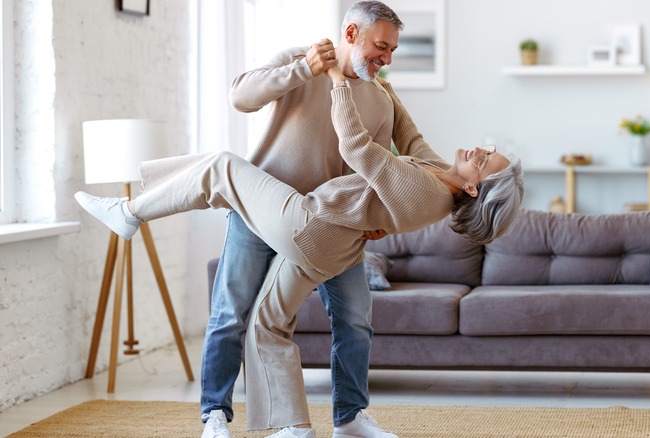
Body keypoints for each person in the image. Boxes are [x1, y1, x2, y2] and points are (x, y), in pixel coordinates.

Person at [75, 63, 525, 437]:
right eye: (487, 150)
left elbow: (357, 147)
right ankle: (295, 425)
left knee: (222, 168)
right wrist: (386, 89)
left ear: (472, 187)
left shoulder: (424, 191)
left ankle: (130, 211)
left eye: (484, 161)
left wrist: (338, 82)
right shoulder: (436, 174)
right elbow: (409, 136)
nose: (479, 150)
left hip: (308, 225)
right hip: (334, 242)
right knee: (268, 322)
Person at [201, 2, 404, 438]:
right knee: (231, 313)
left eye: (391, 51)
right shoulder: (301, 58)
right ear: (351, 33)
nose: (387, 59)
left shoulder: (380, 98)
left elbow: (377, 169)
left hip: (328, 227)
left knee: (355, 318)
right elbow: (239, 95)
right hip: (258, 214)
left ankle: (349, 417)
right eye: (381, 47)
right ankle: (215, 414)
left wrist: (377, 214)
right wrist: (303, 69)